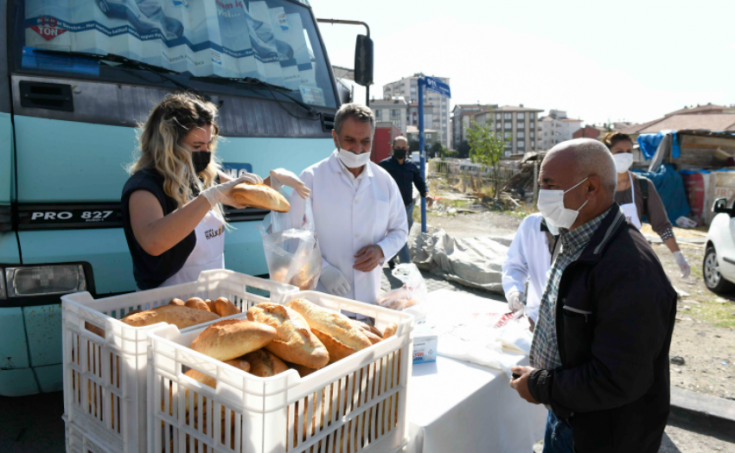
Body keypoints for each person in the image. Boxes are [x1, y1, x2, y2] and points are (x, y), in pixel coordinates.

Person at [509, 139, 677, 453]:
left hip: (599, 436)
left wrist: (541, 385)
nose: (541, 195)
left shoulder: (629, 270)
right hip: (567, 414)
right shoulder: (577, 234)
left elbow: (618, 378)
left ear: (590, 188)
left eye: (549, 185)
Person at [121, 92, 309, 290]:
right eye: (196, 145)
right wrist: (210, 197)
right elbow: (153, 243)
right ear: (168, 144)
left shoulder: (204, 176)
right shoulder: (144, 188)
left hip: (213, 297)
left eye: (208, 144)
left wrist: (274, 181)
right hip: (167, 302)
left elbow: (246, 196)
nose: (205, 152)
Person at [288, 104, 408, 321]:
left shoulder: (384, 182)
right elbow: (291, 236)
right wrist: (322, 268)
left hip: (369, 306)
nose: (358, 149)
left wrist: (381, 250)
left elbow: (400, 230)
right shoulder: (311, 178)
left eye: (365, 142)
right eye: (350, 140)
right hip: (322, 306)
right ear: (335, 137)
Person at [602, 131, 691, 277]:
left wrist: (678, 255)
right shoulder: (596, 186)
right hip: (600, 258)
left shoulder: (643, 185)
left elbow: (662, 225)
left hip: (632, 256)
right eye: (619, 151)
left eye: (629, 151)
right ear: (607, 154)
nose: (625, 155)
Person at [502, 213, 560, 330]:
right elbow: (515, 264)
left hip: (565, 325)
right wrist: (514, 291)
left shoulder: (583, 230)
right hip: (534, 318)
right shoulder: (531, 223)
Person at [379, 136, 429, 267]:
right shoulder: (384, 166)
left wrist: (426, 194)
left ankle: (390, 257)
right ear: (392, 148)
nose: (401, 150)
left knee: (402, 236)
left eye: (403, 148)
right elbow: (375, 185)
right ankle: (407, 271)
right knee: (401, 237)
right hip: (392, 209)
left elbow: (419, 181)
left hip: (408, 207)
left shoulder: (411, 166)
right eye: (398, 148)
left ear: (407, 149)